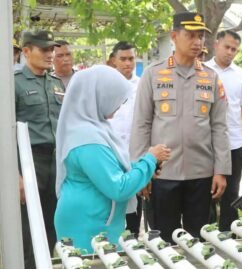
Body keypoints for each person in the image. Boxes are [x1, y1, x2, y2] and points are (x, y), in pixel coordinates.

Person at [130, 11, 231, 243]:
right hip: (162, 174)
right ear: (174, 36)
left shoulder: (211, 77)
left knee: (201, 240)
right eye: (191, 36)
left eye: (201, 37)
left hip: (202, 174)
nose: (198, 42)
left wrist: (221, 170)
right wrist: (140, 172)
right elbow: (141, 125)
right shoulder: (152, 74)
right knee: (163, 241)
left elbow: (219, 127)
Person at [54, 65, 171, 252]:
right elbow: (118, 187)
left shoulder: (95, 127)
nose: (119, 105)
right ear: (100, 95)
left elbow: (110, 169)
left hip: (96, 221)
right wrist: (149, 159)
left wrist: (143, 168)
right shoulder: (87, 139)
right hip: (87, 225)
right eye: (116, 98)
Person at [15, 30, 64, 269]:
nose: (50, 54)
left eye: (51, 49)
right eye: (44, 49)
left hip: (55, 162)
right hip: (29, 162)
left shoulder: (56, 82)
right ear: (26, 51)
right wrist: (15, 174)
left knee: (51, 225)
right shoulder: (12, 82)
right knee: (27, 230)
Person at [206, 30, 242, 231]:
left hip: (233, 144)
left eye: (234, 49)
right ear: (216, 44)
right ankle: (205, 238)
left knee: (231, 195)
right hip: (205, 144)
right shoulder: (201, 70)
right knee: (205, 194)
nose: (230, 52)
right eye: (226, 47)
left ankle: (228, 237)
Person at [108, 41, 142, 237]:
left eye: (131, 59)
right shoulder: (105, 84)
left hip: (134, 153)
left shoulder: (143, 85)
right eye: (123, 59)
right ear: (114, 61)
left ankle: (134, 239)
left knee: (135, 206)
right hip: (110, 154)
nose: (128, 63)